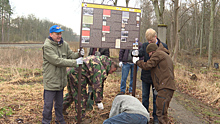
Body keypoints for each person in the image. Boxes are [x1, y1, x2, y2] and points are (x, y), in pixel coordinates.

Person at [42, 25, 84, 124]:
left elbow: (70, 55)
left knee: (59, 104)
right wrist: (75, 63)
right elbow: (57, 61)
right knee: (48, 105)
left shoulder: (64, 44)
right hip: (51, 81)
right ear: (51, 34)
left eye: (60, 33)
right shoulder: (47, 46)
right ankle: (46, 121)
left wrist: (78, 54)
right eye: (57, 34)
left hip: (60, 81)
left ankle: (60, 120)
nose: (59, 35)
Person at [62, 55, 118, 120]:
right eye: (112, 71)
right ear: (110, 67)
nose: (111, 73)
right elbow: (97, 85)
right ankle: (80, 119)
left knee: (72, 93)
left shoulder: (101, 61)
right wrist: (98, 101)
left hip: (72, 70)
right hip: (77, 74)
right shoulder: (99, 68)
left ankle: (60, 109)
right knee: (81, 97)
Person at [136, 43, 176, 124]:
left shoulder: (158, 54)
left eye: (149, 54)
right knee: (162, 112)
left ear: (152, 51)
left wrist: (137, 62)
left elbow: (148, 65)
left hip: (165, 87)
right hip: (167, 86)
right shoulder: (163, 55)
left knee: (160, 113)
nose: (149, 56)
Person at [136, 28, 168, 124]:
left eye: (151, 40)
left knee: (156, 99)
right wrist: (135, 53)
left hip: (157, 78)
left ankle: (156, 118)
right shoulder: (145, 45)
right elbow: (140, 53)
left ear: (155, 37)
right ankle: (145, 116)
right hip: (146, 76)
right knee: (145, 97)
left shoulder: (163, 46)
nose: (149, 42)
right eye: (148, 40)